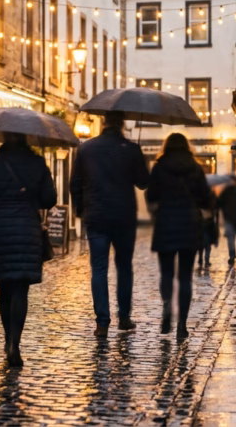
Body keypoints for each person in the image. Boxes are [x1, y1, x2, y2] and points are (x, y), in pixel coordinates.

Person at [0, 132, 57, 367]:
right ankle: (15, 341)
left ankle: (8, 340)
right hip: (27, 231)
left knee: (5, 289)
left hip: (0, 232)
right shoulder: (37, 163)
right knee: (21, 290)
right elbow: (50, 199)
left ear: (3, 138)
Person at [70, 112, 149, 337]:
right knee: (124, 267)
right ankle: (124, 317)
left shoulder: (86, 149)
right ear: (122, 124)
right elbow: (144, 183)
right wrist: (137, 158)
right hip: (124, 217)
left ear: (103, 123)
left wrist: (80, 211)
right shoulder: (131, 149)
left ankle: (102, 322)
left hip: (96, 216)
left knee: (99, 269)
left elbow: (75, 183)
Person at [145, 133, 214, 340]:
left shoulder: (159, 167)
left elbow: (151, 196)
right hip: (189, 224)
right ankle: (182, 325)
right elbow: (205, 198)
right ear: (187, 147)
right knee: (185, 277)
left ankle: (167, 306)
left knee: (166, 273)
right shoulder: (195, 168)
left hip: (166, 222)